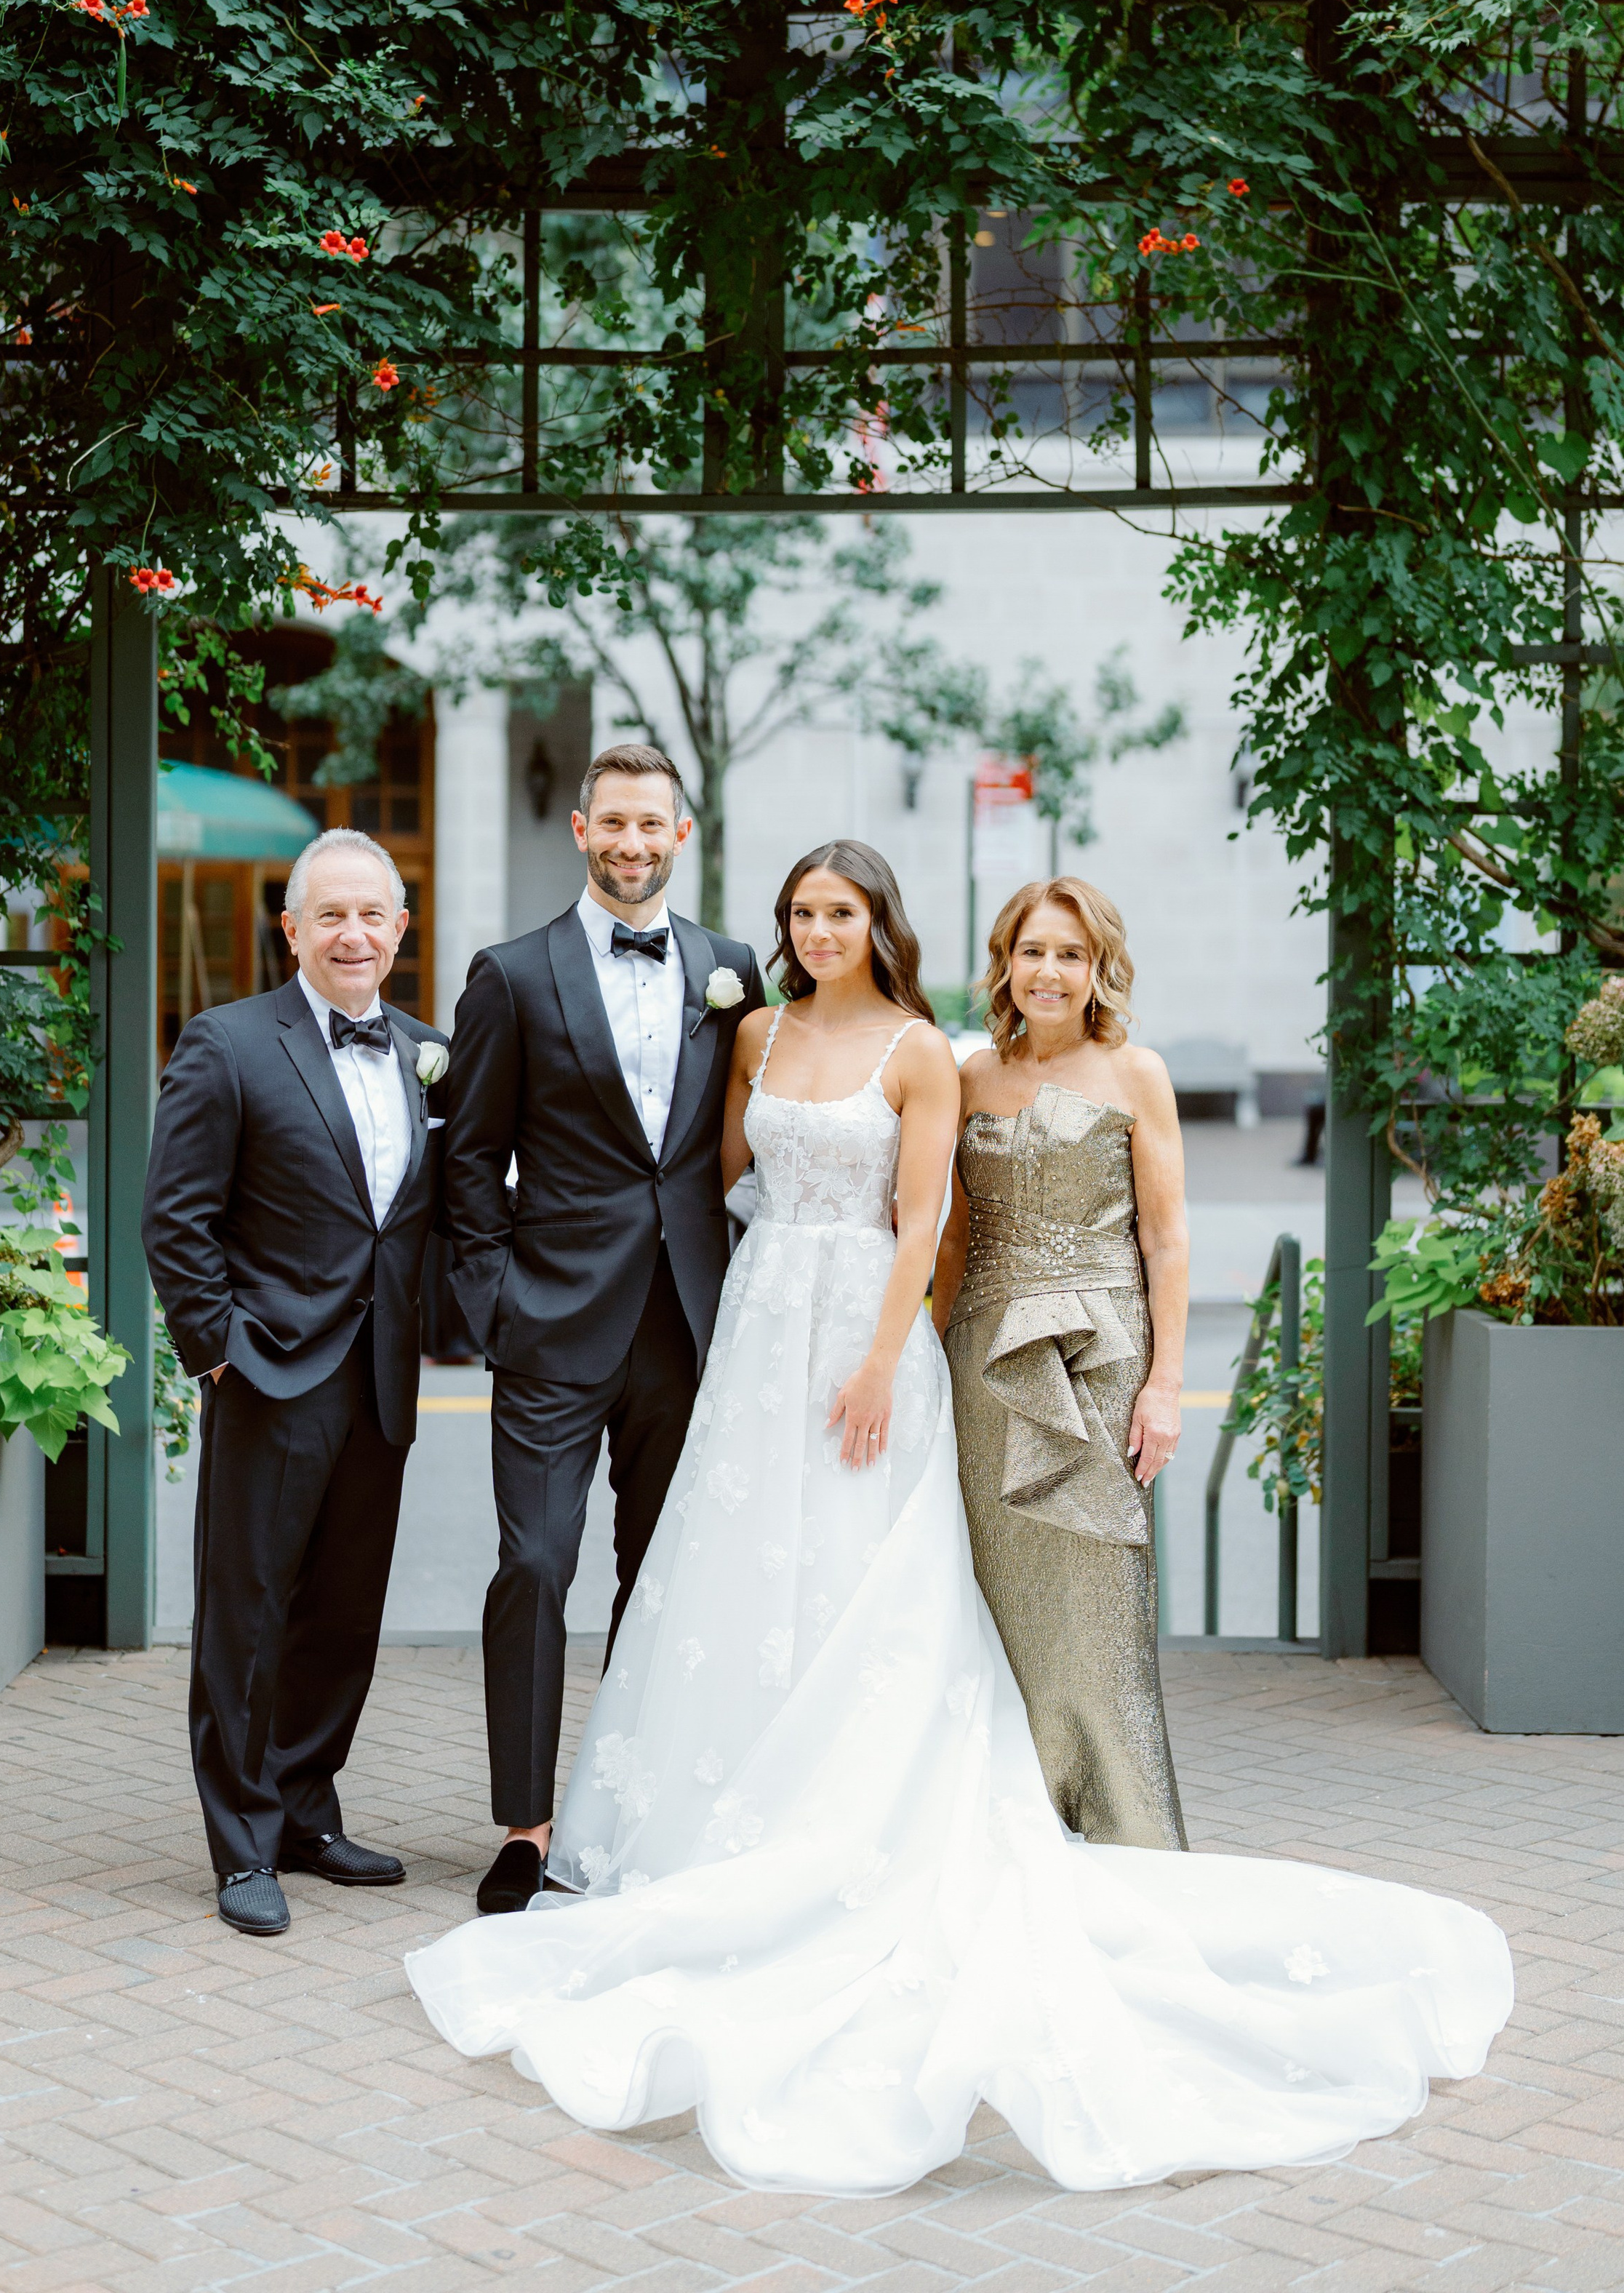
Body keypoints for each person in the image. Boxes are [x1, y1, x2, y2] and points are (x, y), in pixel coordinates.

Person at [405, 840, 1511, 2198]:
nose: (821, 932)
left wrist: (898, 1360)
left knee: (927, 1581)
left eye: (844, 912)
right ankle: (720, 1820)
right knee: (740, 1572)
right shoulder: (753, 1028)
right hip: (761, 1329)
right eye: (804, 913)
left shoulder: (935, 1054)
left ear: (884, 923)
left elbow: (934, 1216)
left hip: (907, 1335)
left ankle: (1101, 1830)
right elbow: (708, 1167)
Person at [441, 741, 764, 1916]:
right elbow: (468, 1158)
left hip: (689, 1323)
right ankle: (525, 1824)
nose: (633, 844)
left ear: (683, 835)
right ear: (581, 831)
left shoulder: (732, 970)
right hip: (551, 1324)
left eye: (653, 825)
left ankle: (627, 1803)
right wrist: (492, 1308)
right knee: (533, 1564)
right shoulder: (512, 976)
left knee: (661, 1577)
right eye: (613, 823)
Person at [142, 829, 448, 1938]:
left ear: (401, 929)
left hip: (380, 1378)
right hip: (270, 1369)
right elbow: (175, 1220)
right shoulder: (226, 1045)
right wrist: (219, 1350)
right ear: (293, 930)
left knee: (342, 1612)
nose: (353, 934)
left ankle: (307, 1811)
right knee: (249, 1611)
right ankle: (240, 1845)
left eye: (372, 915)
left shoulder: (428, 1050)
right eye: (330, 916)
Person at [932, 876, 1188, 1848]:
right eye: (1034, 951)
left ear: (1098, 971)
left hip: (1103, 1362)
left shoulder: (1137, 1074)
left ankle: (1128, 1834)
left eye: (1071, 955)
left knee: (1101, 1612)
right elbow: (953, 1243)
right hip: (985, 1368)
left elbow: (1166, 1241)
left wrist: (1164, 1388)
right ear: (1006, 962)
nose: (1050, 971)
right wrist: (927, 1363)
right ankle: (1023, 1833)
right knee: (997, 1609)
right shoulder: (970, 1078)